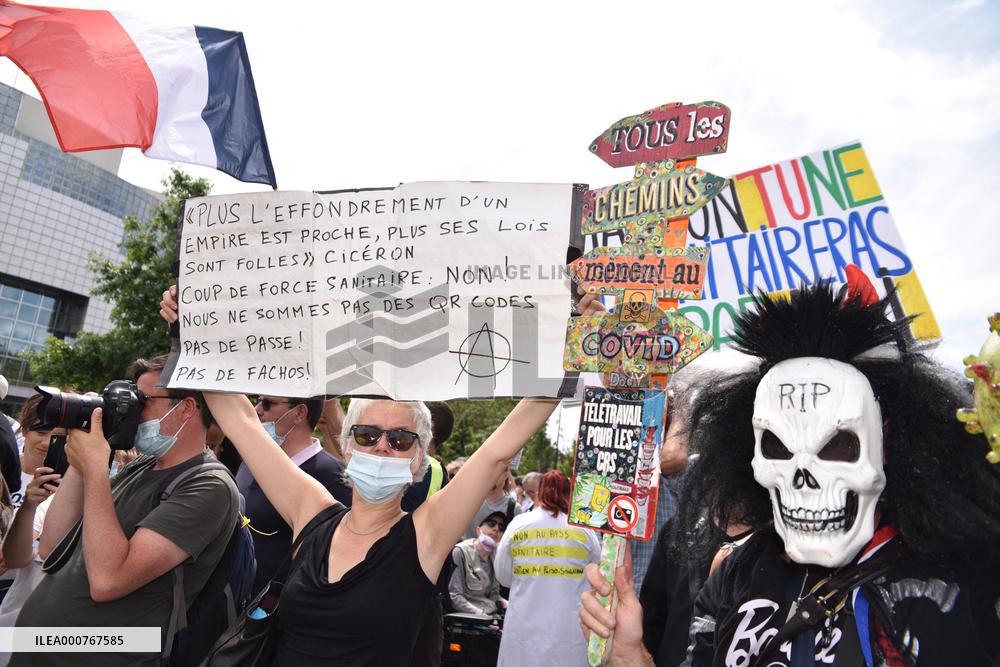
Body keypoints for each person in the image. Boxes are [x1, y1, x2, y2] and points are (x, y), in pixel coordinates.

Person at [159, 284, 607, 665]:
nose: (382, 447)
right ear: (347, 446)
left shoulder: (428, 534)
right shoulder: (311, 512)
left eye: (400, 439)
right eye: (369, 434)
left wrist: (575, 339)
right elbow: (240, 420)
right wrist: (190, 330)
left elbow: (497, 451)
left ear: (419, 459)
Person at [580, 278, 1000, 666]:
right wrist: (631, 656)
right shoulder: (734, 576)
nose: (804, 476)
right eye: (778, 447)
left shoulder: (965, 578)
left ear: (886, 444)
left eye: (837, 445)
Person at [11, 356, 240, 667]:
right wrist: (84, 456)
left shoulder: (209, 486)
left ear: (186, 408)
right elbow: (52, 547)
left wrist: (94, 467)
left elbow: (108, 581)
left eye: (142, 400)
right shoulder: (143, 465)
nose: (133, 410)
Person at [239, 394, 352, 595]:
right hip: (232, 604)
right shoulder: (252, 458)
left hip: (274, 613)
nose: (257, 410)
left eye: (268, 403)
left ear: (300, 412)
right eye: (258, 401)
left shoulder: (333, 476)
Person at [495, 470, 600, 666]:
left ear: (539, 492)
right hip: (568, 630)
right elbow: (596, 576)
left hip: (523, 628)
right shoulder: (585, 530)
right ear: (570, 494)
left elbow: (503, 576)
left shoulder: (519, 524)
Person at [448, 511, 507, 615]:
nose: (496, 529)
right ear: (478, 530)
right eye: (491, 523)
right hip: (467, 620)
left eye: (501, 527)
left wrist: (504, 602)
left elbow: (491, 595)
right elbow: (455, 596)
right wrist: (482, 615)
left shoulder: (496, 558)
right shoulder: (461, 552)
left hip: (490, 616)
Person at [464, 466, 522, 540]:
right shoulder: (469, 501)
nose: (489, 477)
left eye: (494, 473)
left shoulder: (514, 509)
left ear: (505, 475)